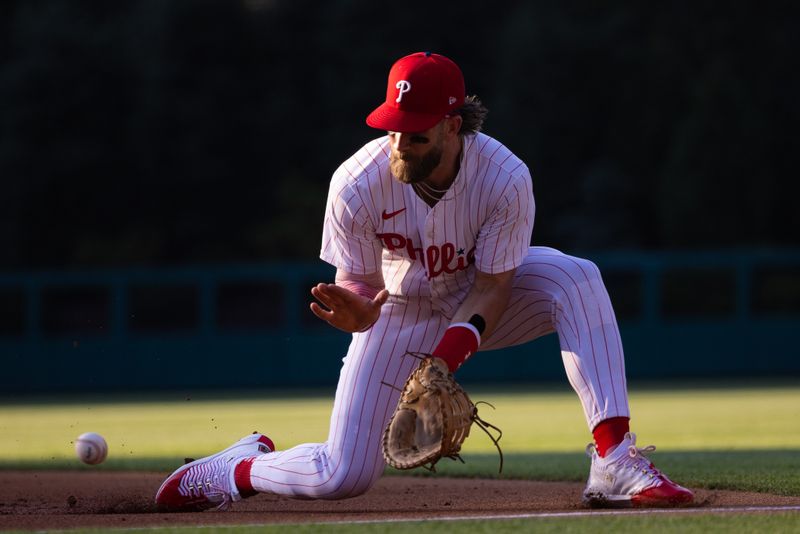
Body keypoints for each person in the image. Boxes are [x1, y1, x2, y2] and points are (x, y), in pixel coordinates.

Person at [155, 51, 693, 511]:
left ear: (453, 125)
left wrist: (444, 363)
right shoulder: (355, 185)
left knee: (576, 278)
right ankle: (238, 470)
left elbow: (492, 288)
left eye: (415, 134)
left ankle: (613, 461)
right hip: (400, 311)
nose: (399, 144)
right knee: (341, 474)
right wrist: (360, 309)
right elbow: (360, 281)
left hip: (480, 299)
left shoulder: (505, 178)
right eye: (392, 127)